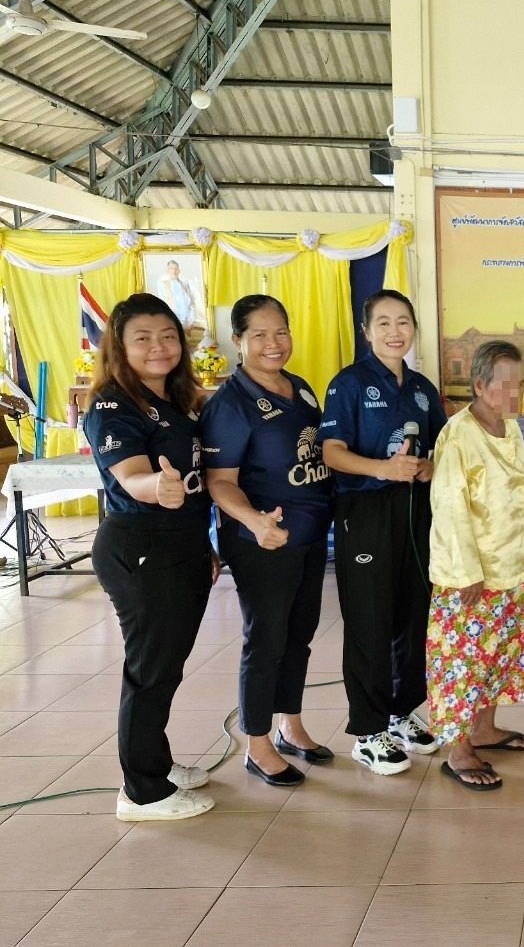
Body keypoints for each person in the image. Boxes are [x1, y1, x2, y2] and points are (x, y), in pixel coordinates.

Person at [83, 293, 219, 822]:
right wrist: (154, 487)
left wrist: (202, 544)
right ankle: (142, 792)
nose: (159, 347)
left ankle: (155, 764)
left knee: (165, 665)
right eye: (142, 338)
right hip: (141, 546)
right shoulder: (114, 404)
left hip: (180, 542)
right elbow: (133, 476)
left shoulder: (175, 398)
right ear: (119, 347)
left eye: (168, 336)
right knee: (150, 670)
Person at [203, 295, 335, 788]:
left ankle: (290, 725)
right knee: (266, 639)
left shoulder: (300, 388)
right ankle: (257, 744)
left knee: (299, 633)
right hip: (261, 542)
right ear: (238, 341)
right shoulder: (230, 404)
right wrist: (255, 522)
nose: (273, 343)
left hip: (308, 535)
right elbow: (219, 481)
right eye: (259, 335)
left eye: (280, 331)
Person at [319, 290, 447, 775]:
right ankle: (369, 731)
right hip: (366, 510)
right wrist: (382, 469)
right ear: (367, 331)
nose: (396, 332)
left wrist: (430, 466)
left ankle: (401, 712)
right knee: (370, 619)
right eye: (385, 323)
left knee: (414, 616)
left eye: (404, 322)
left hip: (415, 511)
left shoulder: (422, 387)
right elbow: (332, 452)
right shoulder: (348, 384)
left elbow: (441, 447)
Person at [427, 341, 524, 790]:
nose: (517, 392)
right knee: (463, 662)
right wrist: (466, 573)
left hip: (514, 565)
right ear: (479, 385)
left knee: (499, 655)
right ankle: (458, 750)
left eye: (521, 383)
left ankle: (485, 730)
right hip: (473, 575)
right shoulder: (458, 435)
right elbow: (449, 507)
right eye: (507, 384)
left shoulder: (509, 427)